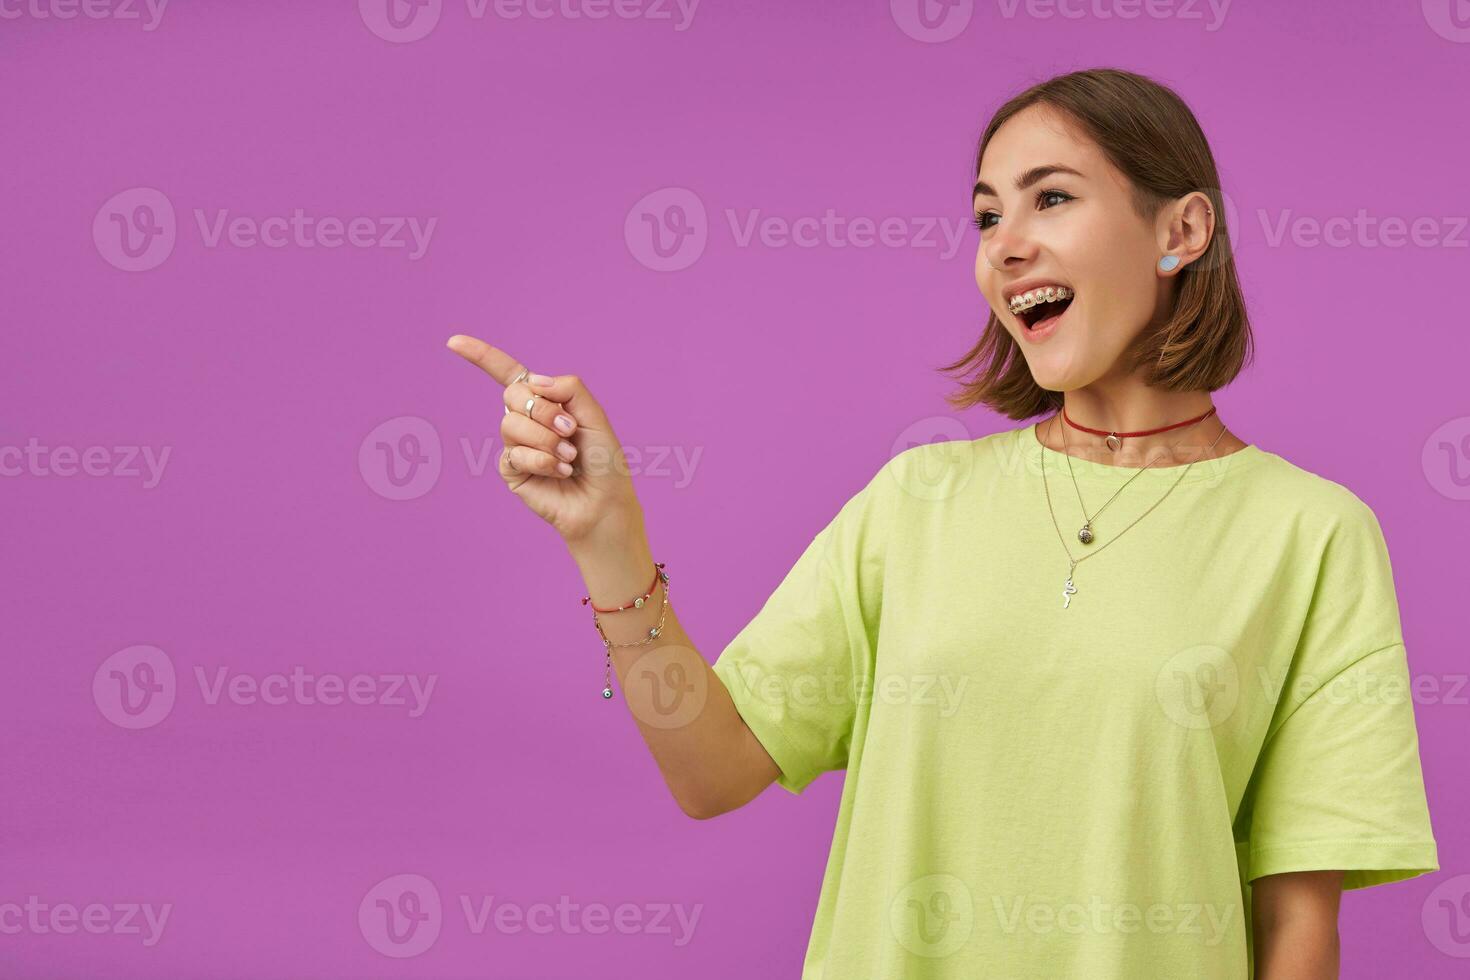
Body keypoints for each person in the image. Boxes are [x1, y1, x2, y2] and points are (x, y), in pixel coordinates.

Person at [445, 67, 1438, 980]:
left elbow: (1300, 923)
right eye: (985, 214)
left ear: (1181, 230)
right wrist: (606, 533)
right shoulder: (915, 501)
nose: (1005, 244)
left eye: (1051, 197)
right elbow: (712, 770)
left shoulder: (1311, 533)